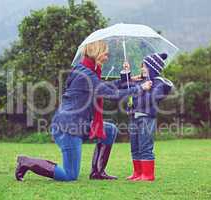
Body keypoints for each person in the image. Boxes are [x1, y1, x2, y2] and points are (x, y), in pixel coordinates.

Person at [15, 40, 153, 182]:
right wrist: (140, 88)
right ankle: (26, 162)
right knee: (69, 175)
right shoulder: (86, 75)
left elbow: (104, 87)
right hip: (68, 128)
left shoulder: (85, 70)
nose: (107, 58)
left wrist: (126, 79)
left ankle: (97, 172)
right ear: (97, 53)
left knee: (110, 130)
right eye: (105, 54)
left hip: (78, 123)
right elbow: (110, 93)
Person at [121, 53, 174, 181]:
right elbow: (126, 86)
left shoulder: (158, 84)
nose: (142, 69)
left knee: (145, 145)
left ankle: (148, 174)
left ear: (152, 68)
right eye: (141, 66)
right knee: (135, 146)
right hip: (134, 117)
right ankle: (138, 173)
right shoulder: (141, 82)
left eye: (144, 66)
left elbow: (151, 100)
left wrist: (142, 90)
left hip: (146, 118)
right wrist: (126, 72)